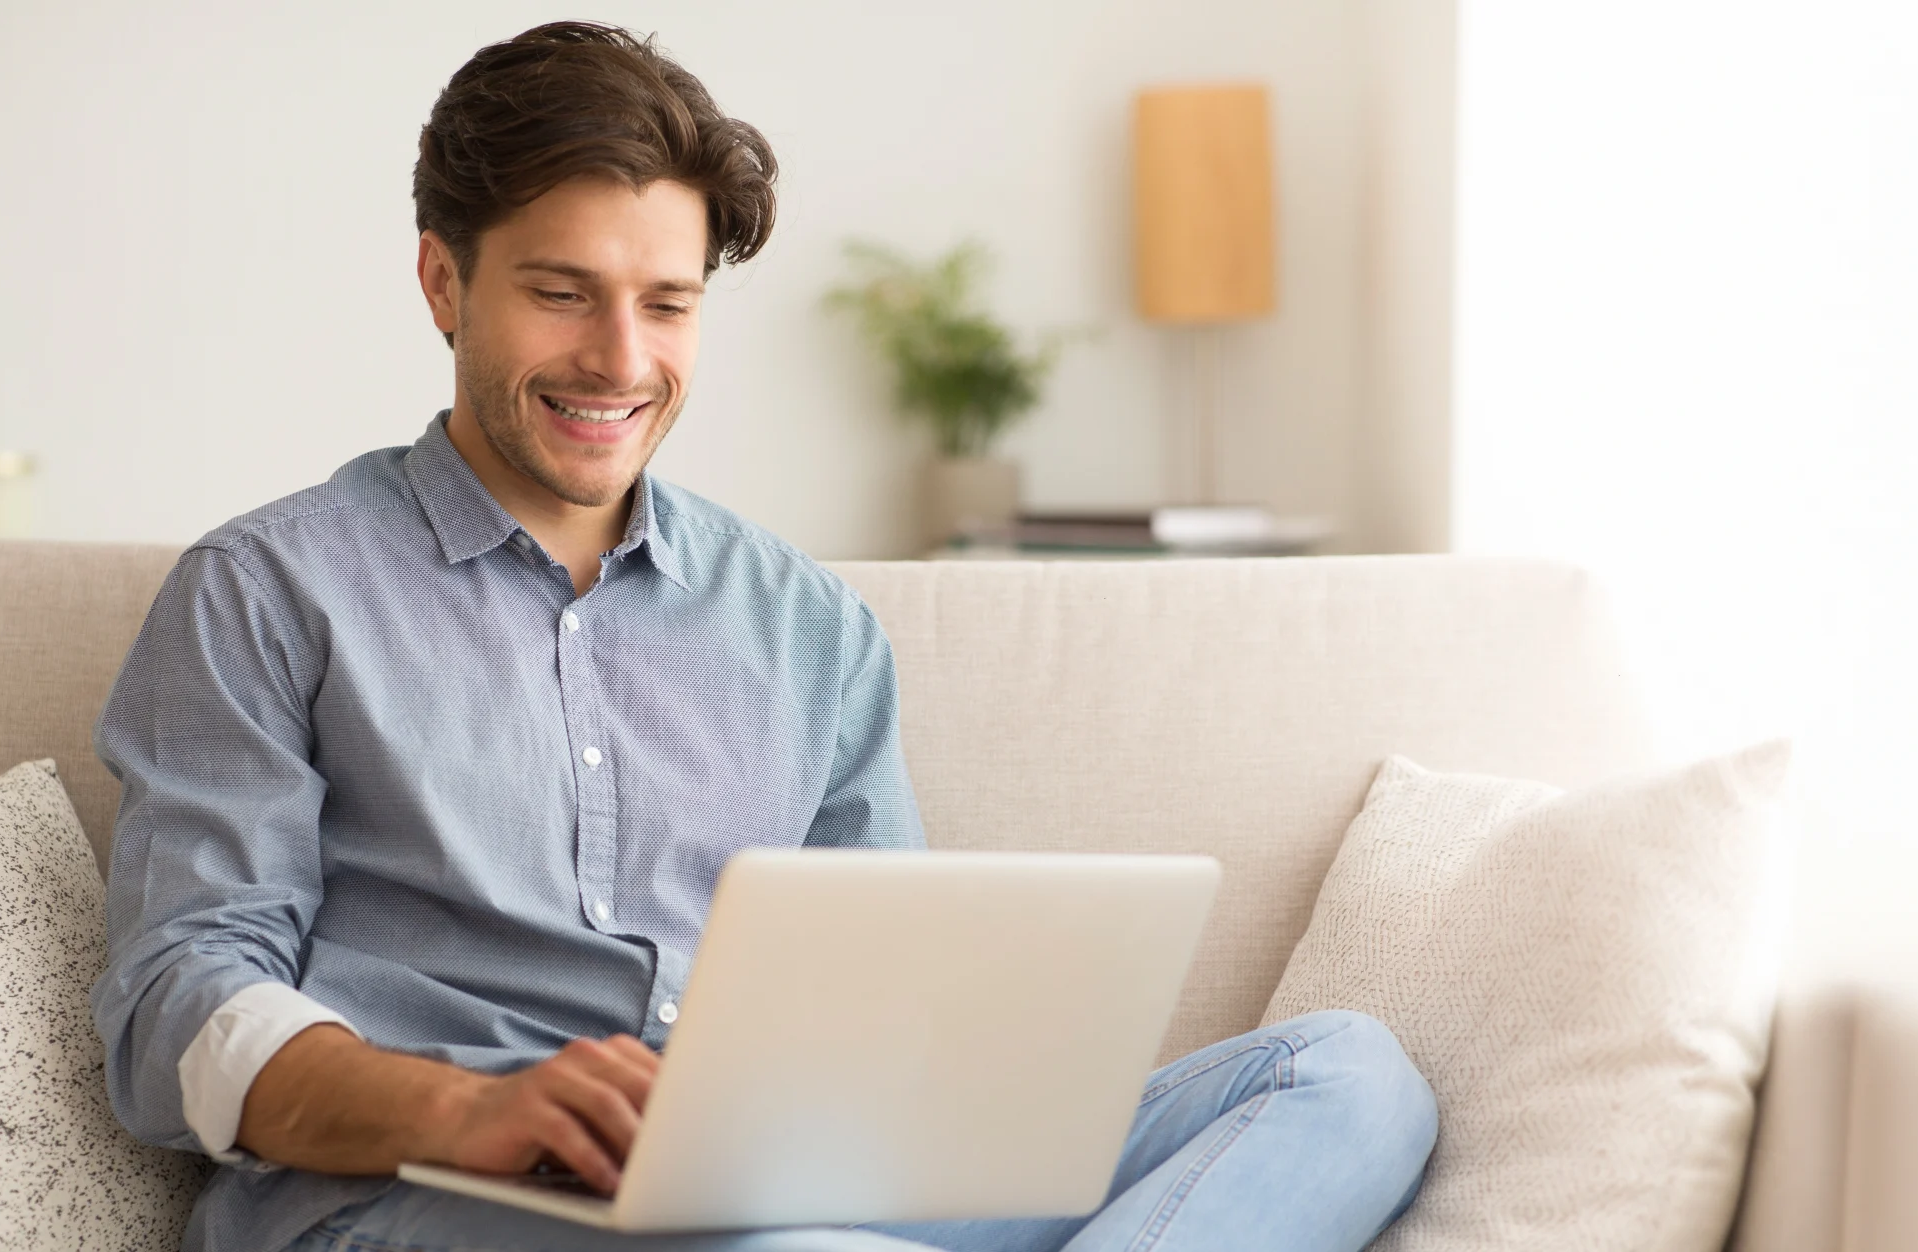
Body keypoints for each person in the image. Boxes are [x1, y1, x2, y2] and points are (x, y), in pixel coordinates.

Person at [91, 21, 1436, 1252]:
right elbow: (175, 1015)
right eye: (563, 292)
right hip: (421, 1207)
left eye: (667, 303)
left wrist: (929, 1108)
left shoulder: (807, 627)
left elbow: (902, 996)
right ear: (445, 281)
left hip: (786, 1191)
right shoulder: (266, 592)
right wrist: (460, 1111)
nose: (622, 360)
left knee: (1344, 1077)